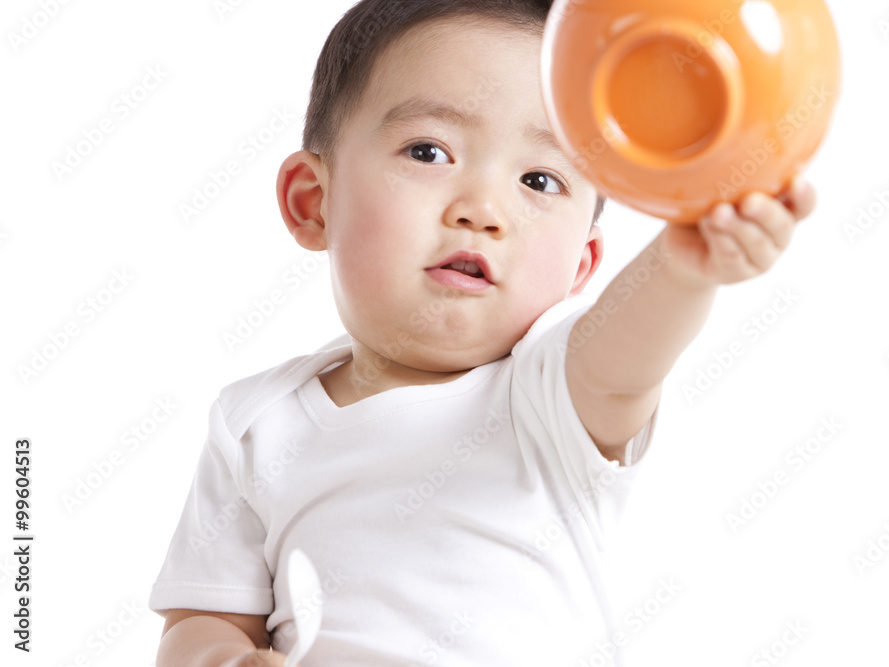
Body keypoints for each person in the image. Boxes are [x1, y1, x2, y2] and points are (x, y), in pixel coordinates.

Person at [150, 1, 816, 665]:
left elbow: (623, 359)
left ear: (581, 264)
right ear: (313, 201)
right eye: (430, 151)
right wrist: (221, 657)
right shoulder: (252, 424)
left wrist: (681, 264)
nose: (482, 209)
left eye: (539, 179)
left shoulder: (549, 393)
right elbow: (202, 618)